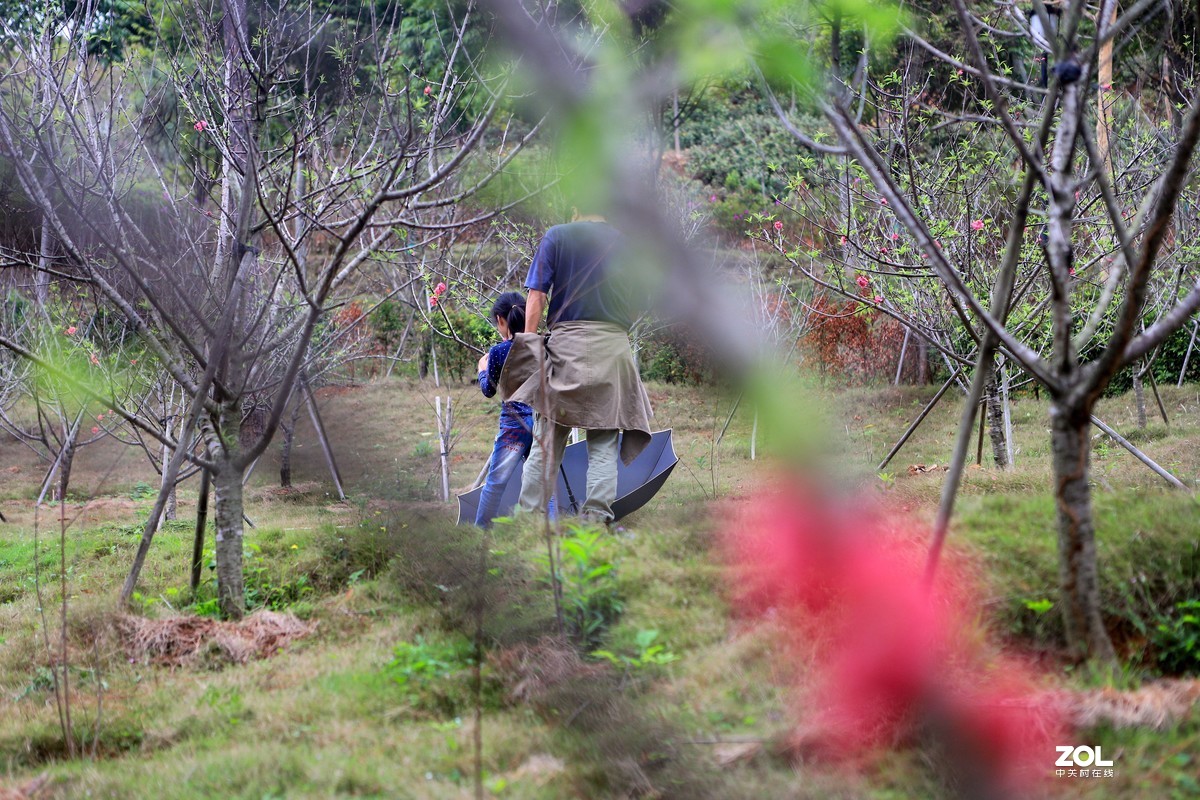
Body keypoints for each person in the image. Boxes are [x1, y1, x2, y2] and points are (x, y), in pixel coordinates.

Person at [499, 210, 654, 525]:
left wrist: (528, 344)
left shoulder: (558, 235)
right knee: (603, 444)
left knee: (547, 440)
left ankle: (529, 522)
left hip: (566, 348)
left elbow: (537, 296)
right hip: (613, 349)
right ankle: (596, 522)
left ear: (575, 207)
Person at [474, 292, 542, 528]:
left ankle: (481, 531)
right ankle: (552, 531)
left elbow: (488, 390)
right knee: (542, 481)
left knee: (495, 483)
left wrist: (482, 369)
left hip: (514, 424)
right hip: (541, 420)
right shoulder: (541, 345)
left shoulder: (498, 352)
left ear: (501, 320)